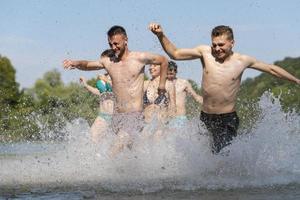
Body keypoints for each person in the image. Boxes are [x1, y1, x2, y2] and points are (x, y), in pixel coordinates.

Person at [149, 23, 300, 154]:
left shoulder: (242, 60)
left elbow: (271, 69)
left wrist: (296, 80)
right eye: (214, 44)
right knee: (204, 157)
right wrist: (161, 35)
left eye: (221, 45)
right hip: (206, 117)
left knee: (221, 156)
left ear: (232, 42)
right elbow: (175, 53)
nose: (217, 48)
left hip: (227, 119)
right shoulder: (205, 52)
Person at [63, 25, 169, 156]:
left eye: (116, 44)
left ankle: (101, 173)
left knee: (113, 152)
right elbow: (89, 64)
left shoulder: (139, 58)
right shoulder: (108, 61)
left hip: (134, 115)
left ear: (126, 40)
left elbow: (164, 60)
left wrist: (162, 84)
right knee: (133, 153)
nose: (113, 47)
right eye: (110, 44)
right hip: (117, 116)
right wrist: (75, 63)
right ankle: (151, 169)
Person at [166, 60, 203, 128]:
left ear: (176, 71)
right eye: (169, 69)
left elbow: (196, 97)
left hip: (180, 118)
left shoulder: (184, 83)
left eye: (174, 70)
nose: (171, 71)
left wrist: (209, 105)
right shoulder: (162, 84)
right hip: (167, 118)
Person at [80, 73, 114, 142]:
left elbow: (114, 85)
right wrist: (85, 84)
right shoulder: (102, 91)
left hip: (115, 117)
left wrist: (105, 79)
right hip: (103, 116)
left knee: (116, 141)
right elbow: (94, 90)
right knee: (92, 137)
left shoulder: (117, 87)